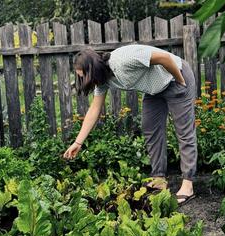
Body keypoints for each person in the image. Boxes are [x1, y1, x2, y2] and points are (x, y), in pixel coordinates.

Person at [63, 44, 197, 205]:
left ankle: (188, 185)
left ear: (93, 69)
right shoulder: (103, 80)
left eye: (84, 75)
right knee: (151, 129)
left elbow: (164, 58)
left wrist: (180, 79)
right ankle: (159, 179)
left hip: (176, 77)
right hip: (155, 89)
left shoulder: (123, 60)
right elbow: (94, 109)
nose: (84, 80)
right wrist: (78, 142)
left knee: (184, 131)